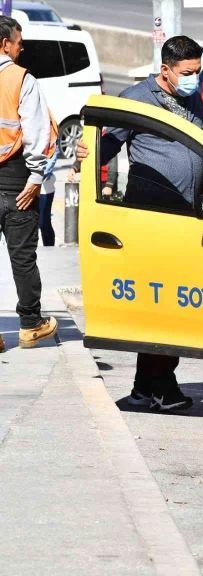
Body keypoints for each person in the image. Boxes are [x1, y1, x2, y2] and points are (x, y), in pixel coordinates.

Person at [76, 35, 203, 410]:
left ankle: (145, 388)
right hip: (154, 221)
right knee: (164, 309)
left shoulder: (192, 99)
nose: (194, 79)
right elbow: (106, 144)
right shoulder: (137, 99)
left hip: (190, 220)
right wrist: (86, 152)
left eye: (197, 71)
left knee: (174, 310)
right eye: (187, 72)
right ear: (165, 70)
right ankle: (162, 387)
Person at [0, 15, 59, 354]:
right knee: (22, 257)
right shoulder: (21, 79)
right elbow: (36, 132)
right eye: (19, 42)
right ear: (5, 43)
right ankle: (31, 325)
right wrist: (37, 177)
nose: (21, 49)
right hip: (16, 181)